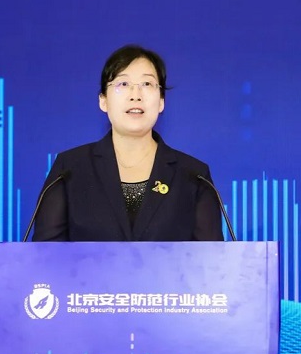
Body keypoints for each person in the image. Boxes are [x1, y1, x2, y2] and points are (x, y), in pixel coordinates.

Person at [31, 44, 224, 241]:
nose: (135, 95)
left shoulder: (194, 176)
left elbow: (211, 258)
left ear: (161, 102)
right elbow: (45, 253)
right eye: (123, 84)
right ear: (103, 101)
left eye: (147, 84)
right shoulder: (69, 169)